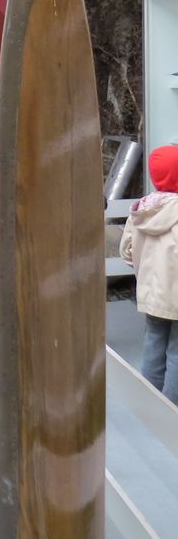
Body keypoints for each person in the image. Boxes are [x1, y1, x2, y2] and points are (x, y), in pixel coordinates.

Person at [120, 145, 178, 403]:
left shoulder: (142, 208)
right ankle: (172, 406)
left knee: (153, 342)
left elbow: (126, 252)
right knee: (176, 351)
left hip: (150, 294)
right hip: (175, 295)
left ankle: (150, 401)